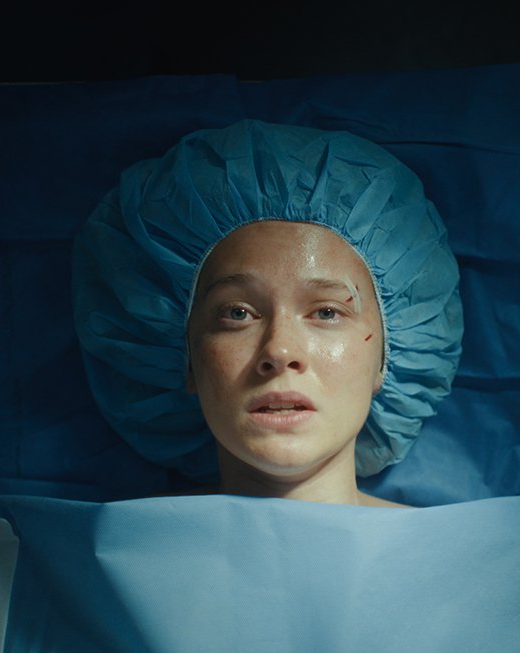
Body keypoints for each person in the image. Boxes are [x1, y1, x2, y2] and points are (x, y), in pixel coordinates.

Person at [73, 120, 462, 507]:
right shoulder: (97, 545)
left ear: (384, 361)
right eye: (238, 313)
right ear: (186, 357)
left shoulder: (469, 546)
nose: (279, 351)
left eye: (327, 312)